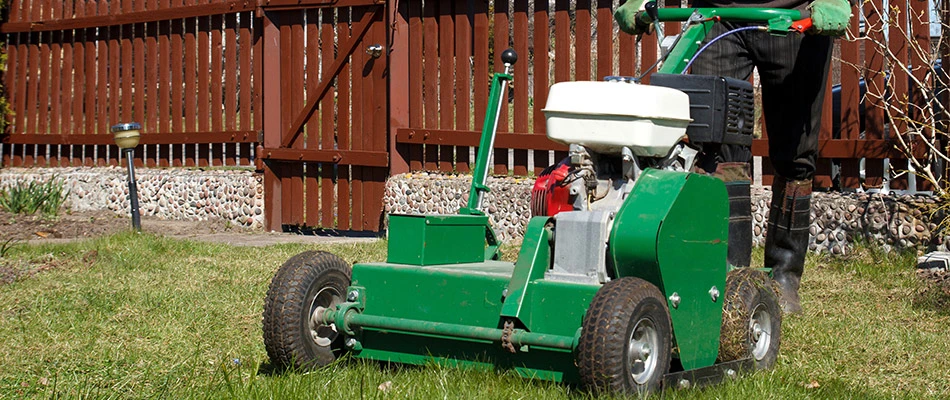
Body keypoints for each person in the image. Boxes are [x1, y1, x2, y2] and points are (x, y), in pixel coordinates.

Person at [614, 0, 853, 314]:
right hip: (717, 15)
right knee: (716, 148)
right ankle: (727, 274)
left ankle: (783, 276)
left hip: (796, 17)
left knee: (795, 154)